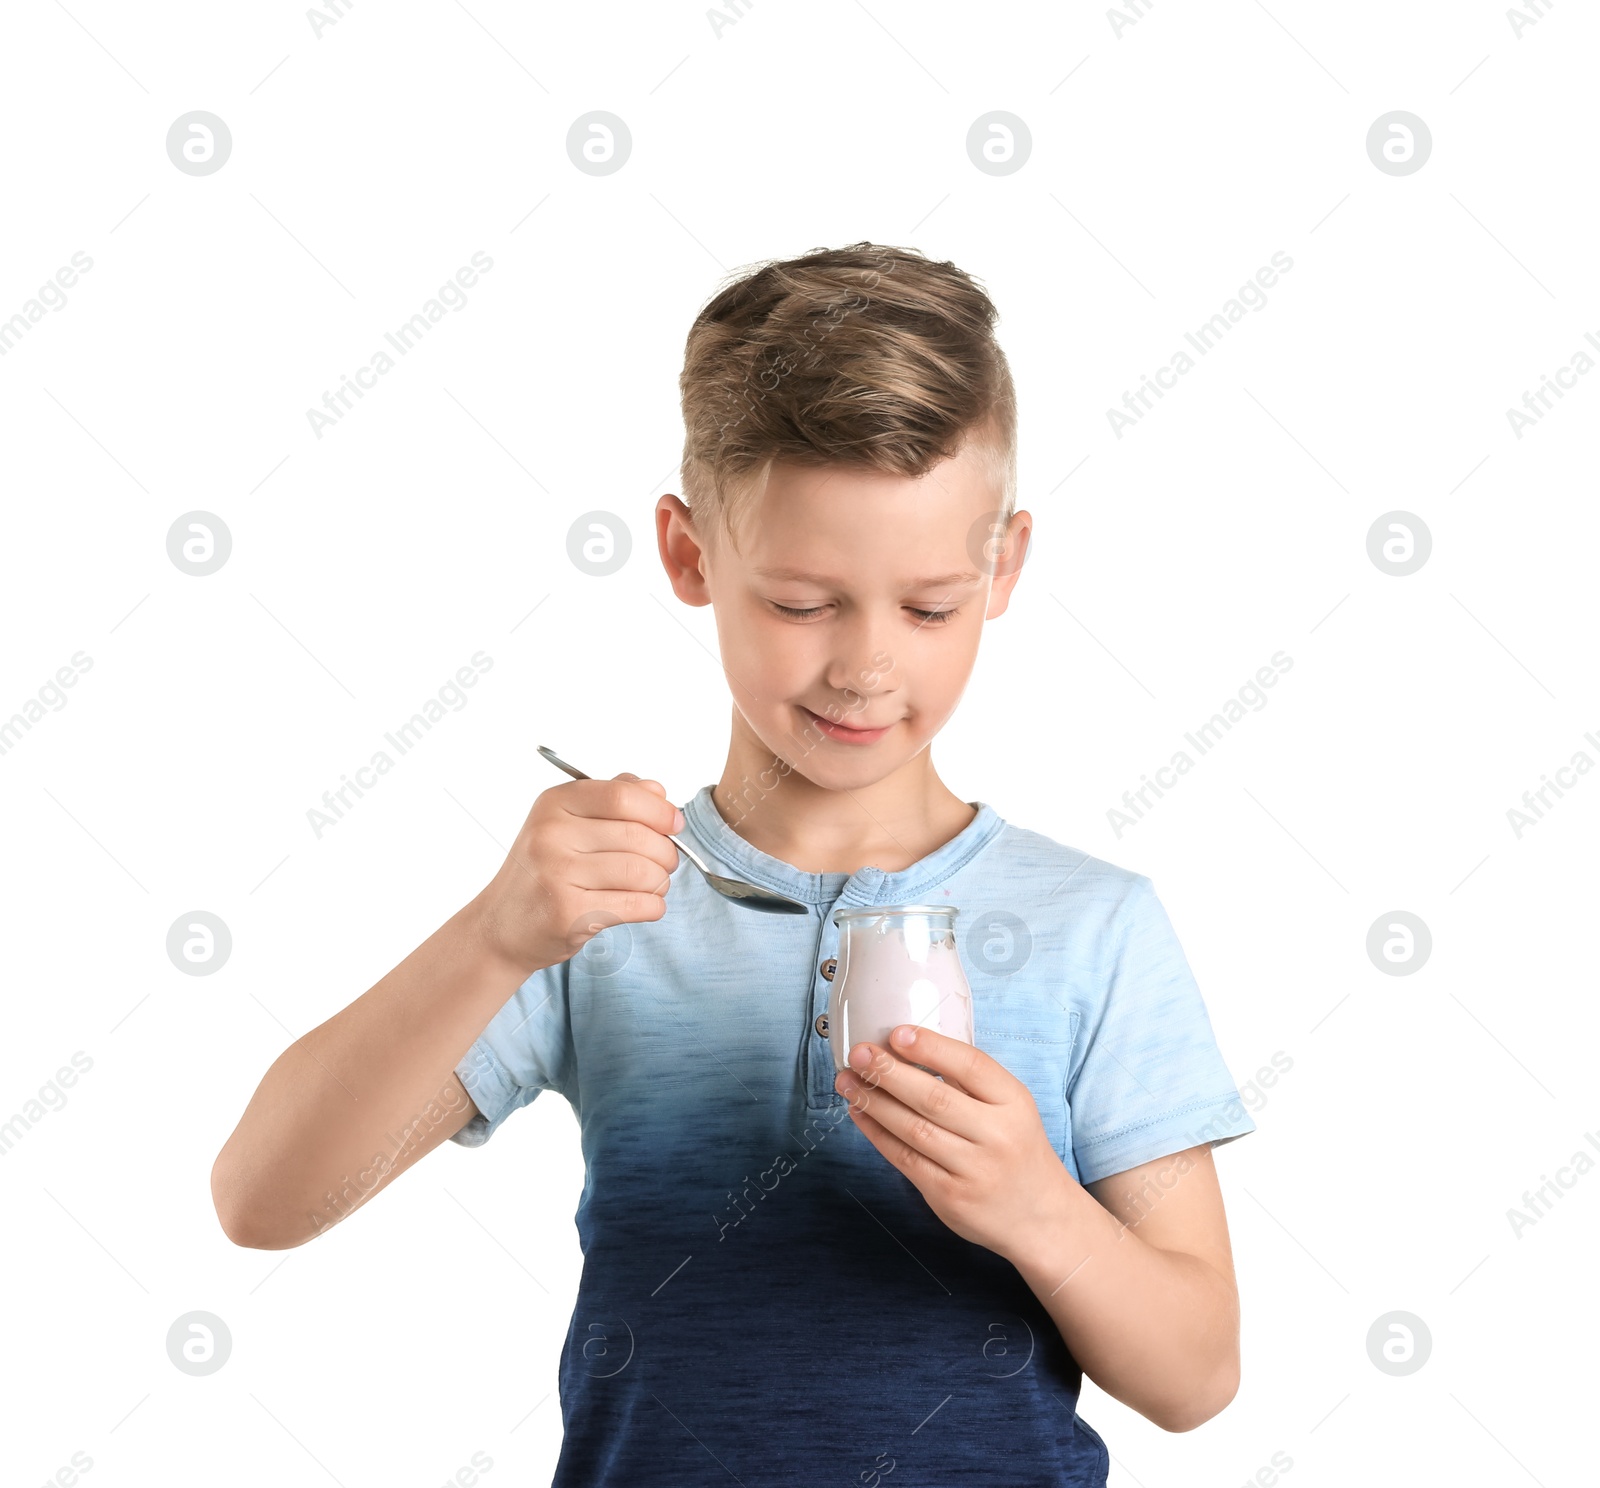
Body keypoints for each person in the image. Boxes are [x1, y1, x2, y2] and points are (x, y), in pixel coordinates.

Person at [211, 241, 1257, 1486]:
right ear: (690, 554)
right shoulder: (603, 909)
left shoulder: (1096, 928)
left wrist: (1035, 1206)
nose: (867, 666)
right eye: (804, 603)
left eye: (928, 607)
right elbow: (263, 1201)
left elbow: (1196, 1379)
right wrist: (493, 937)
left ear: (1003, 567)